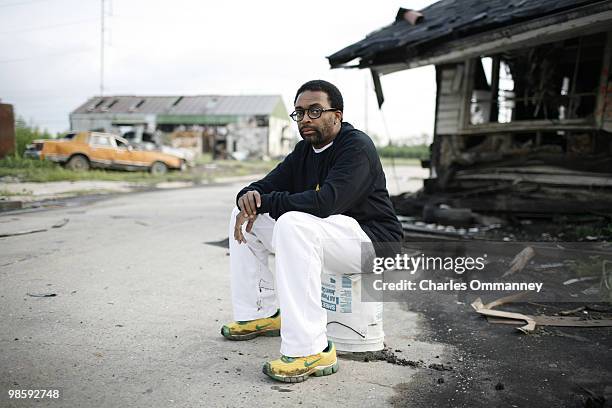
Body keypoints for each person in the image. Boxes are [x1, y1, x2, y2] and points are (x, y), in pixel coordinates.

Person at [221, 80, 403, 383]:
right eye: (300, 113)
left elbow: (326, 202)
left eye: (315, 111)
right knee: (242, 216)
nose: (306, 119)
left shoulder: (356, 146)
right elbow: (267, 184)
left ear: (337, 115)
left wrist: (267, 201)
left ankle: (311, 348)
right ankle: (261, 312)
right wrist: (248, 195)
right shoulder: (304, 151)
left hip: (374, 244)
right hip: (335, 237)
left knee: (294, 221)